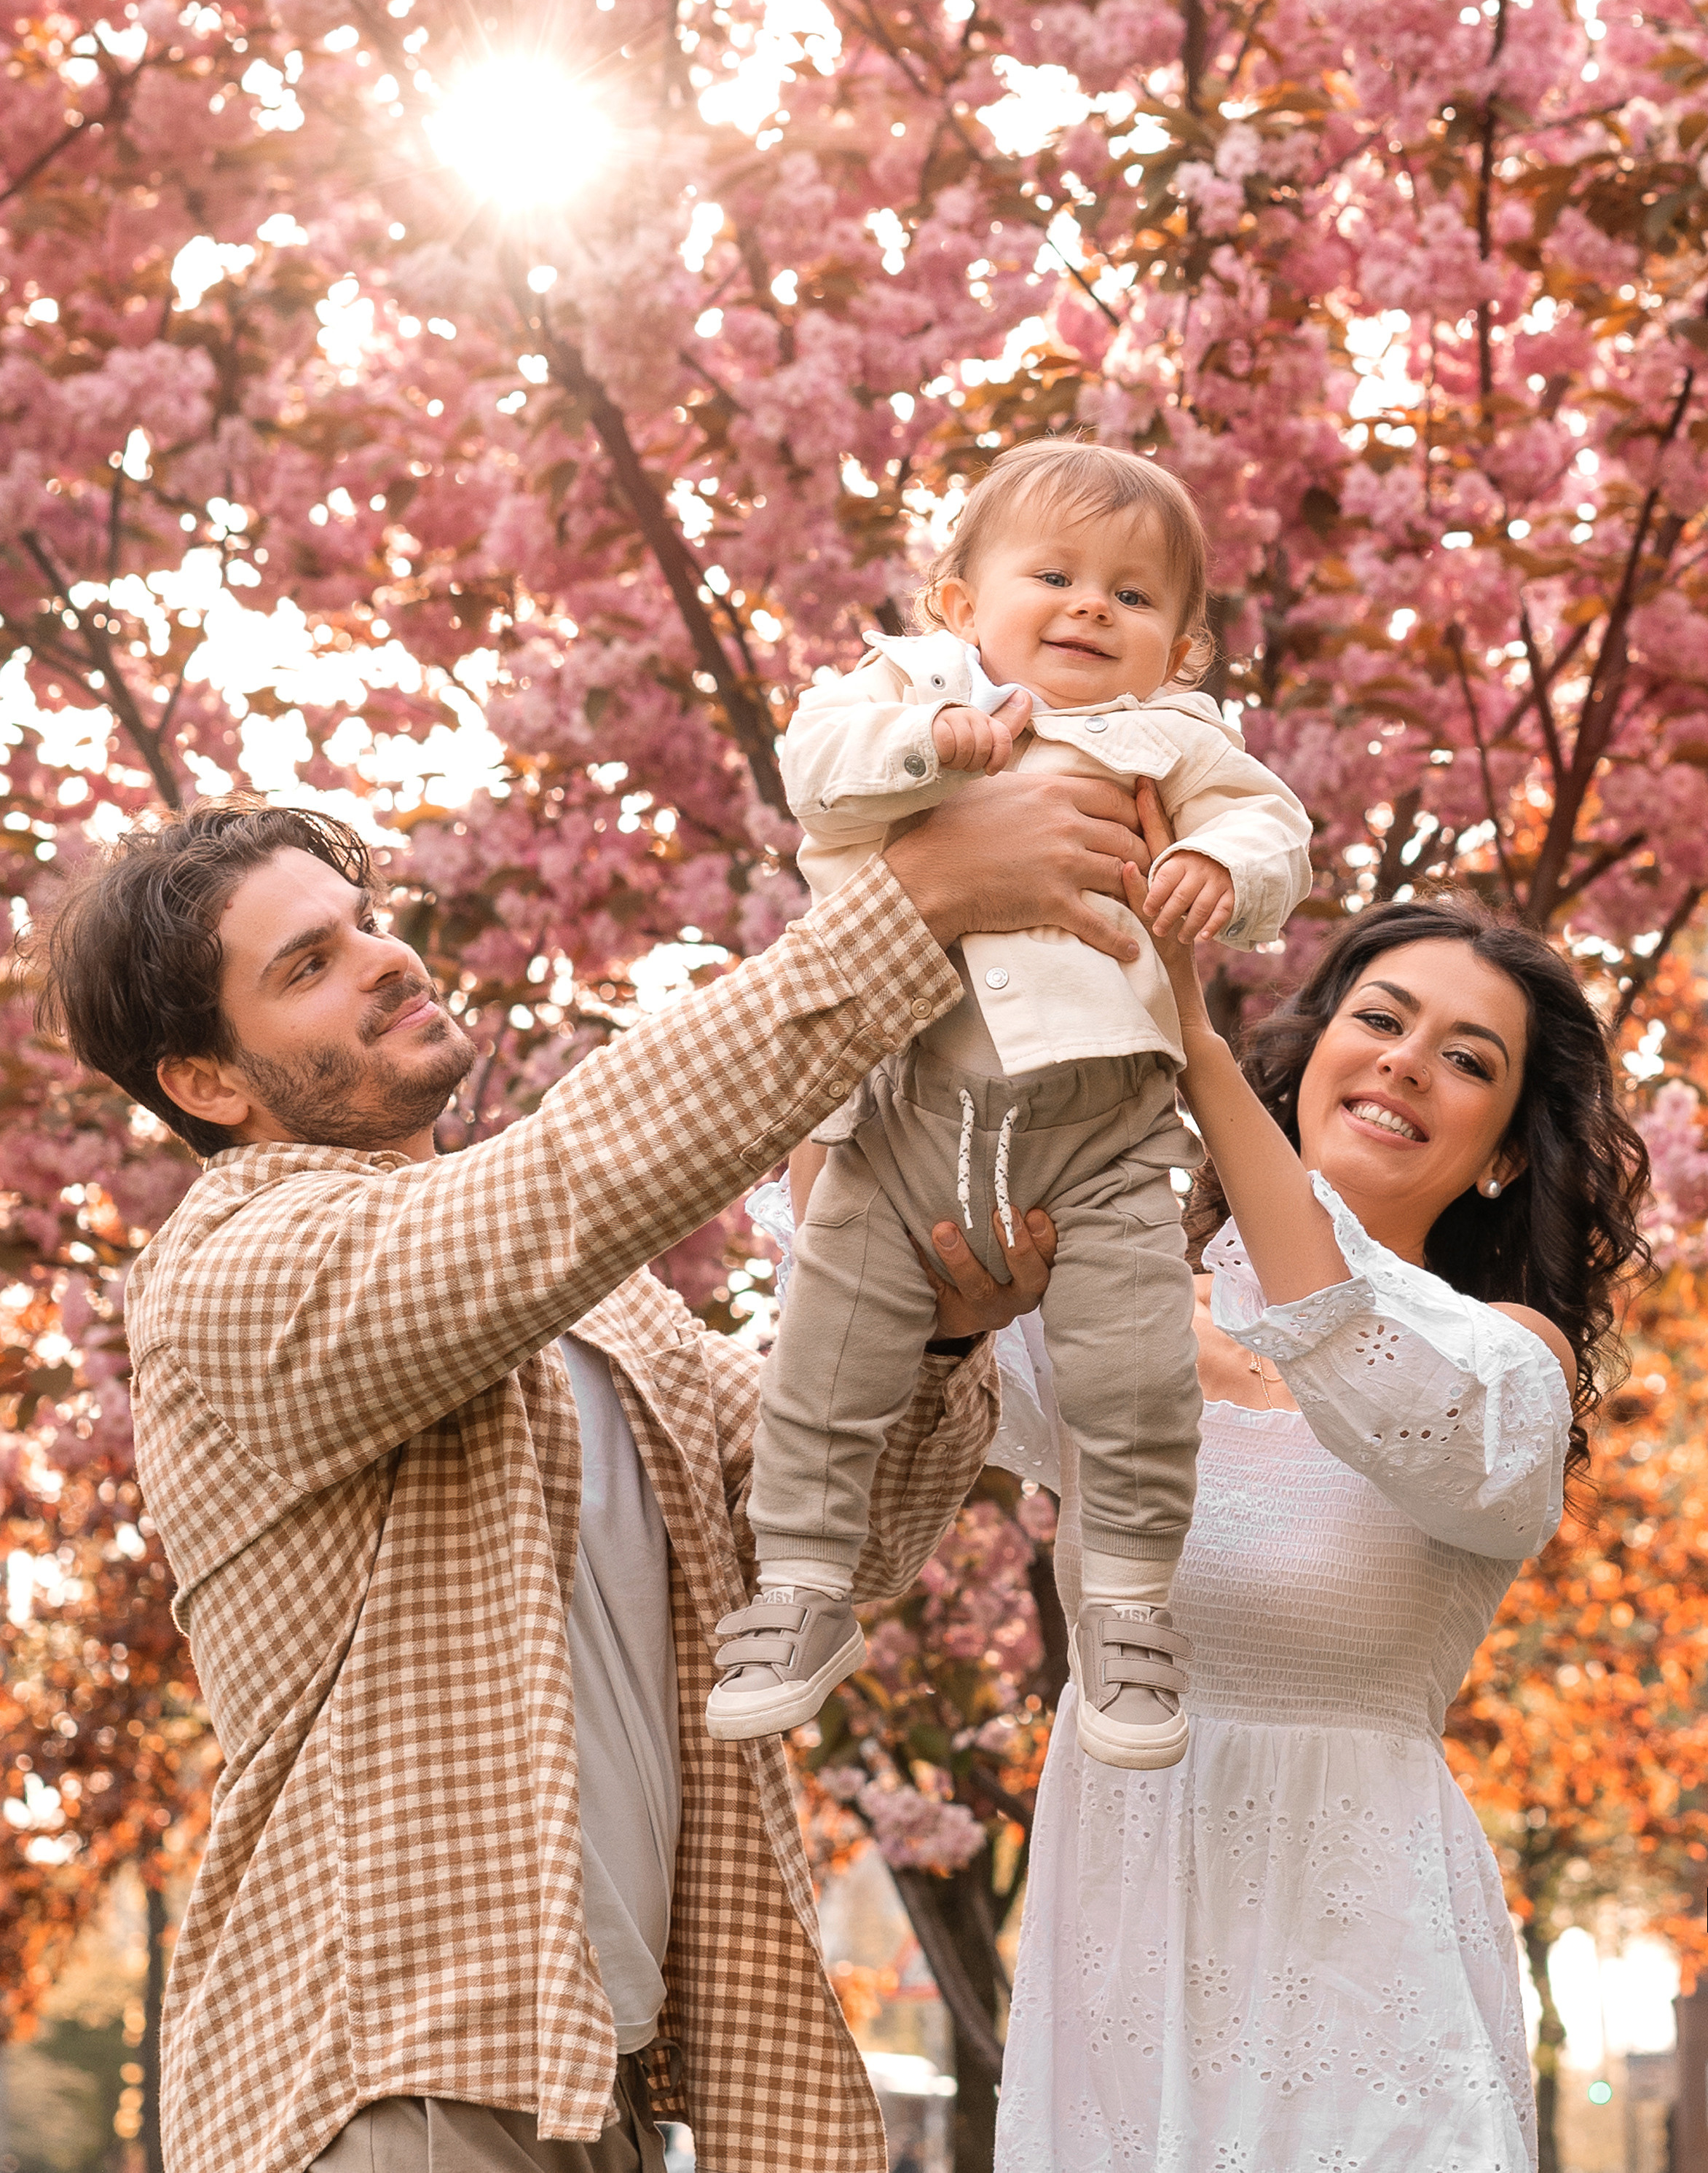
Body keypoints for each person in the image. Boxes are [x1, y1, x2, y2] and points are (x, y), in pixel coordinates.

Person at [36, 770, 1154, 2173]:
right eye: (307, 965)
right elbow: (565, 1184)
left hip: (597, 2075)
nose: (384, 959)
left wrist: (935, 1335)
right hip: (387, 2071)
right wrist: (909, 904)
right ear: (207, 1081)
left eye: (364, 921)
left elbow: (839, 1537)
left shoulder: (607, 1309)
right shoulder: (227, 1270)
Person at [985, 866, 1650, 2172]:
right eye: (1381, 1020)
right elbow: (874, 1285)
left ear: (1505, 1153)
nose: (1406, 1062)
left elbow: (1331, 1329)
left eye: (1465, 1058)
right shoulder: (1119, 1311)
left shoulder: (1504, 1366)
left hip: (1368, 1999)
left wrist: (1194, 1043)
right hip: (1121, 1971)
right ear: (1313, 1057)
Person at [707, 442, 1312, 1771]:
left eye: (1132, 595)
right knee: (824, 1358)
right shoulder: (904, 689)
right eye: (1052, 576)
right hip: (903, 1114)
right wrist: (931, 746)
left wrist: (1217, 860)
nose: (1090, 605)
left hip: (1101, 1134)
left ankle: (1127, 1608)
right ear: (956, 604)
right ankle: (800, 1583)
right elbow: (814, 767)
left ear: (1182, 651)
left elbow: (1272, 827)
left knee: (1134, 1371)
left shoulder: (1175, 738)